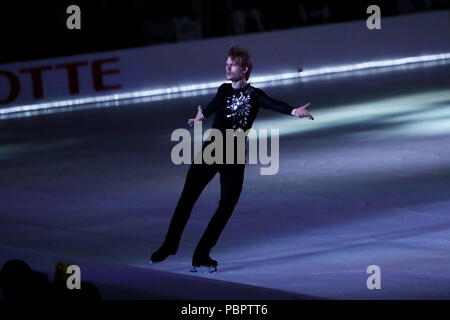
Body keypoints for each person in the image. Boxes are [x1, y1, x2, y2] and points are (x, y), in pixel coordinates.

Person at [151, 45, 314, 272]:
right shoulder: (223, 89)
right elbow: (212, 107)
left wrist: (294, 111)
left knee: (226, 205)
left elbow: (273, 104)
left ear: (244, 69)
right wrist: (201, 115)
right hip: (212, 149)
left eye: (232, 65)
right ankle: (169, 245)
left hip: (234, 155)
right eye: (226, 64)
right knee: (187, 198)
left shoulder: (254, 95)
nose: (227, 68)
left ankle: (202, 253)